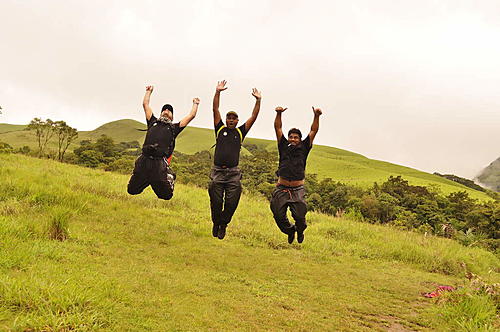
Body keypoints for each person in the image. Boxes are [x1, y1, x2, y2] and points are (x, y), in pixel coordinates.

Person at [209, 80, 261, 239]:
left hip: (233, 173)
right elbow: (215, 108)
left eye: (234, 118)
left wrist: (258, 100)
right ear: (226, 119)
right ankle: (216, 222)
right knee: (216, 200)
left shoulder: (240, 132)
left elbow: (254, 116)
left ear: (237, 121)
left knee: (232, 201)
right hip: (217, 171)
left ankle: (224, 223)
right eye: (229, 118)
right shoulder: (220, 129)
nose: (231, 120)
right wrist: (217, 92)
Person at [127, 85, 199, 200]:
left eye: (169, 111)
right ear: (161, 113)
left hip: (159, 163)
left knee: (166, 195)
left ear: (172, 116)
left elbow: (191, 116)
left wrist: (195, 104)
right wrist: (148, 92)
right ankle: (145, 179)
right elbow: (145, 105)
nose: (166, 111)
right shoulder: (152, 121)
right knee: (131, 190)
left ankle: (168, 176)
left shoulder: (174, 128)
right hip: (144, 160)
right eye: (164, 110)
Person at [270, 105, 322, 244]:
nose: (293, 139)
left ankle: (299, 230)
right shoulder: (283, 146)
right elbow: (278, 128)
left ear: (300, 139)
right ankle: (290, 230)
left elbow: (313, 130)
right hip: (281, 187)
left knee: (300, 216)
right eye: (291, 137)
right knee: (278, 214)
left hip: (297, 189)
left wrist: (316, 116)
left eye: (296, 138)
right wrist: (279, 114)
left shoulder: (304, 147)